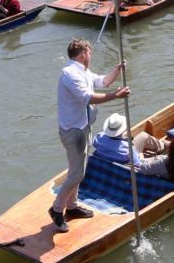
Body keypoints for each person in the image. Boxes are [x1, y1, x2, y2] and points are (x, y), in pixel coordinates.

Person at [51, 38, 129, 233]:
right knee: (77, 173)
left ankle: (72, 206)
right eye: (89, 53)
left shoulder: (83, 72)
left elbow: (102, 82)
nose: (91, 56)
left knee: (79, 171)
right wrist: (115, 95)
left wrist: (117, 70)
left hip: (84, 127)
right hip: (74, 131)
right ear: (83, 53)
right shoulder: (69, 73)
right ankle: (56, 209)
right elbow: (88, 97)